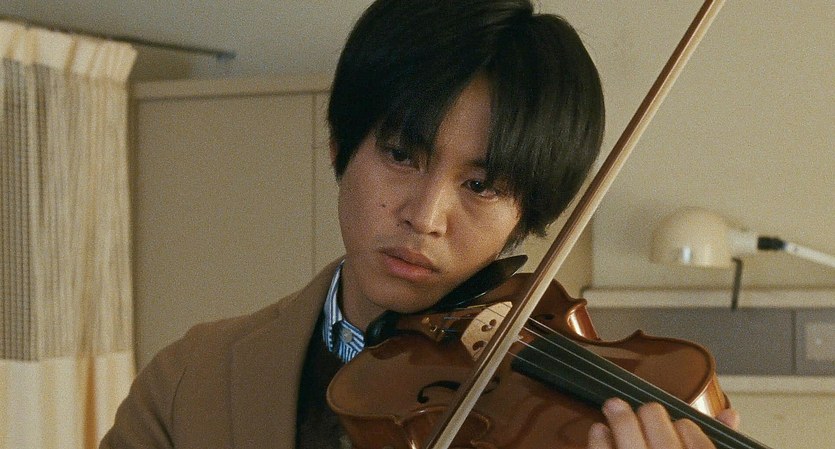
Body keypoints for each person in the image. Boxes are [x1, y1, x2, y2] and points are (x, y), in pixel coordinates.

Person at [101, 1, 739, 448]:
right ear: (340, 144)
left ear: (526, 217)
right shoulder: (190, 380)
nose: (425, 217)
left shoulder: (577, 422)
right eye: (401, 155)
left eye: (480, 186)